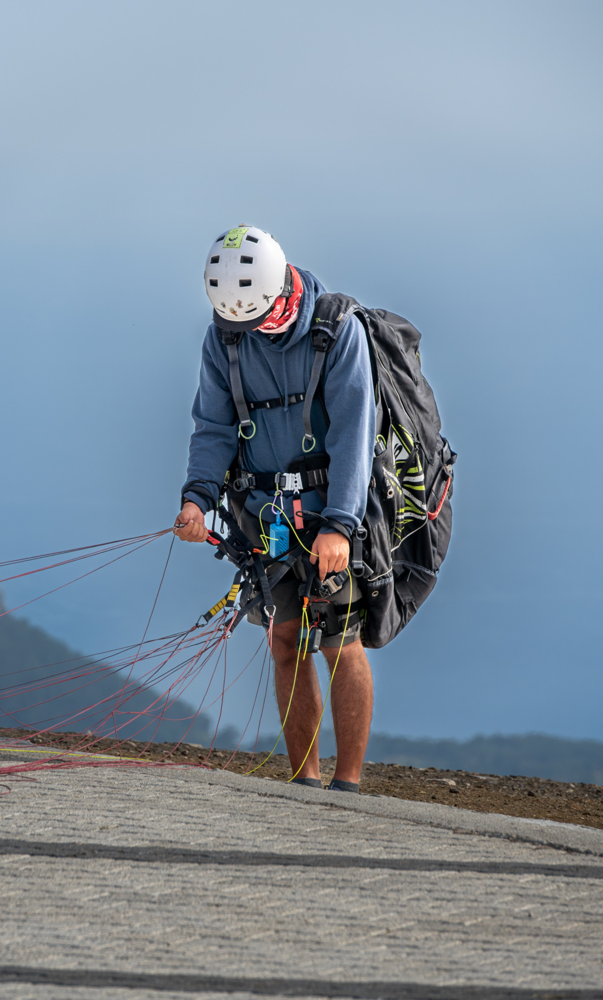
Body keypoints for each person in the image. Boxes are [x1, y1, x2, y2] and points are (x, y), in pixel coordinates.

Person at [174, 226, 376, 792]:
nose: (252, 332)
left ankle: (350, 787)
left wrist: (339, 525)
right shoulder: (226, 338)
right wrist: (198, 499)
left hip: (331, 517)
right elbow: (213, 426)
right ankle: (305, 784)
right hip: (264, 518)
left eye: (257, 319)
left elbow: (355, 436)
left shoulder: (338, 333)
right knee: (284, 638)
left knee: (339, 638)